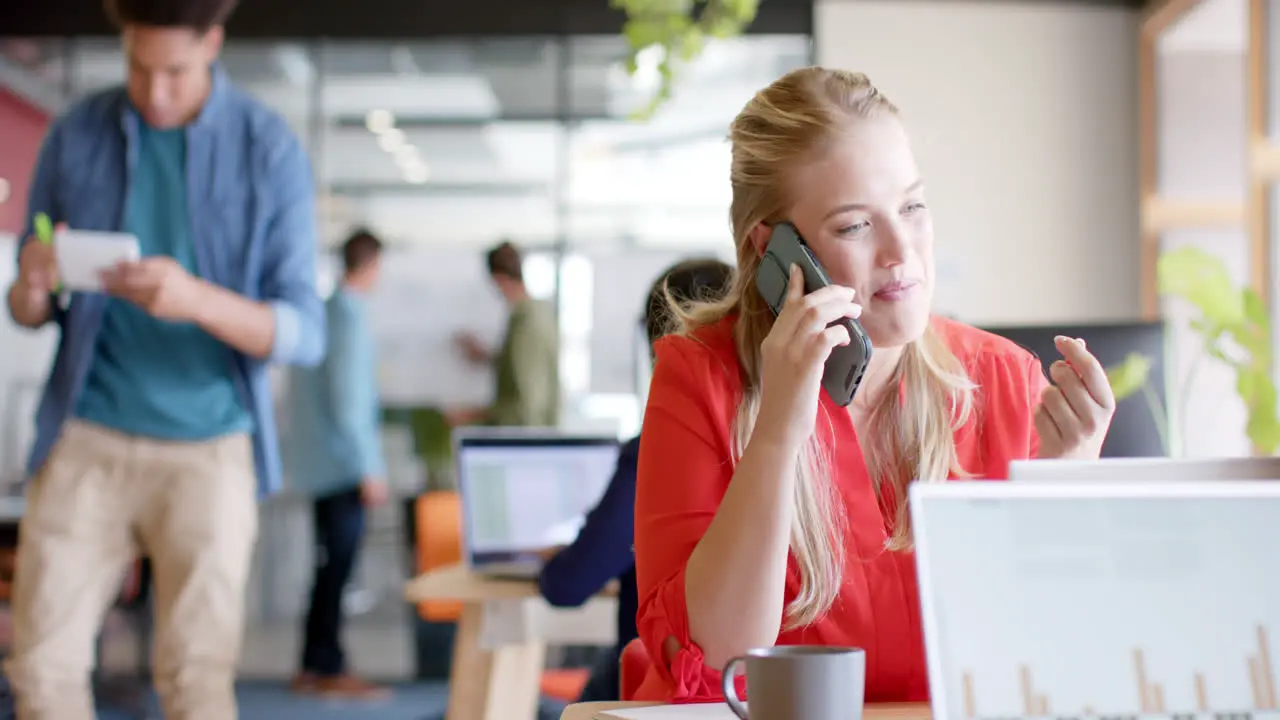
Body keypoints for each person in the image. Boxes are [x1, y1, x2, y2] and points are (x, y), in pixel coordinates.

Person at [631, 67, 1116, 703]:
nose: (901, 253)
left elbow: (1046, 665)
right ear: (774, 251)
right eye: (855, 225)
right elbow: (722, 665)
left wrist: (1065, 482)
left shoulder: (1004, 379)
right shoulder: (700, 378)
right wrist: (779, 427)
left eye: (912, 207)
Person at [3, 0, 324, 716]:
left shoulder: (267, 147)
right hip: (86, 434)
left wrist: (195, 299)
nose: (154, 92)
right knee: (41, 669)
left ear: (213, 41)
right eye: (137, 67)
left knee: (196, 677)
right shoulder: (77, 132)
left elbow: (305, 331)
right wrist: (30, 282)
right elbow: (30, 313)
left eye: (175, 71)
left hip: (211, 450)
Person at [537, 257, 734, 703]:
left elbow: (568, 586)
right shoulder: (794, 437)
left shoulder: (661, 449)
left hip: (671, 679)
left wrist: (554, 566)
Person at [285, 229, 391, 700]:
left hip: (320, 465)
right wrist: (370, 468)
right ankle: (326, 665)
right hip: (346, 468)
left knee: (328, 568)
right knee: (337, 570)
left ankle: (315, 663)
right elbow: (349, 402)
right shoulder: (347, 316)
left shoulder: (324, 313)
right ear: (370, 266)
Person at [446, 240, 560, 428]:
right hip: (536, 435)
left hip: (525, 439)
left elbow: (524, 404)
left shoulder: (526, 323)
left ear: (499, 279)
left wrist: (471, 414)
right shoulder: (540, 313)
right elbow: (528, 368)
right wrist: (487, 358)